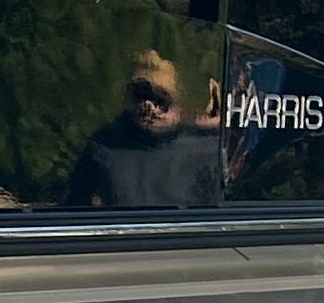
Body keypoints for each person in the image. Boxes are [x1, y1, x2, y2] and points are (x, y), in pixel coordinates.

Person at [68, 50, 225, 208]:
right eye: (141, 94)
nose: (148, 106)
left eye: (160, 99)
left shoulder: (208, 151)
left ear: (179, 103)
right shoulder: (103, 147)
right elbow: (74, 209)